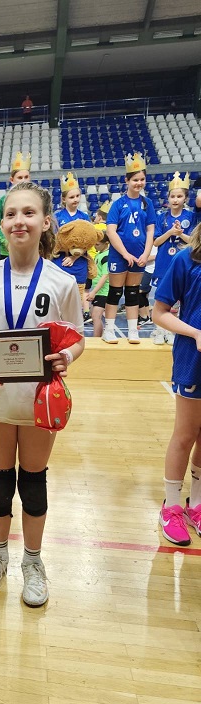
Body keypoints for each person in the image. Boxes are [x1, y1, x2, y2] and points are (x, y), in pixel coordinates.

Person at [0, 182, 84, 606]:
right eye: (11, 214)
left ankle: (33, 561)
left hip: (40, 400)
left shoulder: (62, 281)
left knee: (32, 483)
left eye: (28, 213)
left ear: (46, 221)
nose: (19, 221)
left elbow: (78, 338)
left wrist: (67, 356)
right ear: (2, 223)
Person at [153, 222, 201, 546]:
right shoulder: (187, 259)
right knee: (185, 434)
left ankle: (196, 504)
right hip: (192, 358)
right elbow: (159, 313)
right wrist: (195, 332)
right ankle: (171, 507)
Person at [102, 152, 156, 345]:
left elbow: (150, 231)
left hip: (139, 256)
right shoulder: (118, 204)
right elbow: (111, 231)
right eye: (135, 180)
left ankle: (133, 331)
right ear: (127, 180)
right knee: (115, 292)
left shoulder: (147, 203)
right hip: (119, 256)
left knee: (133, 293)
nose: (139, 183)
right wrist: (125, 254)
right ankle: (109, 330)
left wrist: (145, 254)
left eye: (142, 179)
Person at [152, 172, 201, 345]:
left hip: (182, 264)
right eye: (172, 196)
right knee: (161, 299)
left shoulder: (191, 217)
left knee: (179, 301)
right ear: (168, 198)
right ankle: (159, 331)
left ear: (185, 198)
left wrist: (180, 234)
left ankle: (173, 331)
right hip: (163, 263)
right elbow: (156, 242)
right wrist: (170, 232)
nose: (175, 199)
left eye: (179, 196)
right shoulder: (162, 217)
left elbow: (194, 242)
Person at [0, 152, 31, 262]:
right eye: (20, 177)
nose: (23, 180)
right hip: (7, 253)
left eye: (26, 177)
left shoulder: (36, 199)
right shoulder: (4, 200)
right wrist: (6, 242)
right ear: (12, 180)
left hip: (30, 251)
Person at [84, 230, 110, 337]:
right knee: (95, 315)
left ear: (106, 243)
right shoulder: (100, 254)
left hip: (104, 291)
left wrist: (94, 292)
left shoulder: (107, 257)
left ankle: (97, 339)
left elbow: (105, 276)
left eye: (98, 244)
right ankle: (100, 337)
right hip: (99, 291)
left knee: (96, 316)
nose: (95, 246)